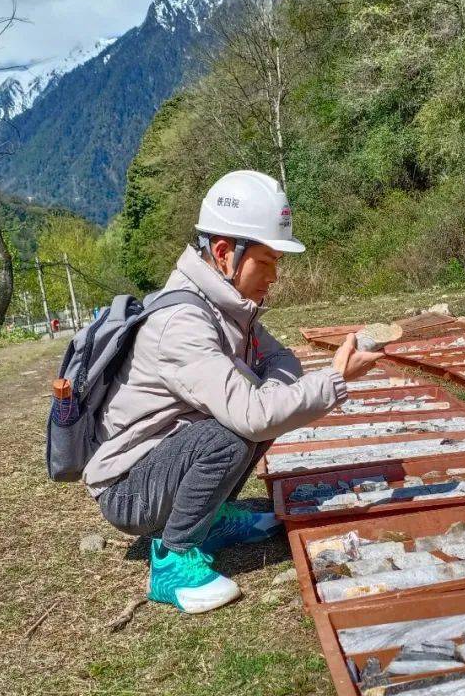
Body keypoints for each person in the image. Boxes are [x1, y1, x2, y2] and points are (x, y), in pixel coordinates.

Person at [83, 170, 382, 613]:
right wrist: (333, 379)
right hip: (128, 490)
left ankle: (210, 519)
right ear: (225, 254)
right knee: (235, 431)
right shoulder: (182, 323)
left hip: (163, 461)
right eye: (266, 261)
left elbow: (284, 361)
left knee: (255, 417)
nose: (274, 276)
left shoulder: (229, 309)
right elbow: (254, 416)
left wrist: (265, 398)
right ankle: (173, 559)